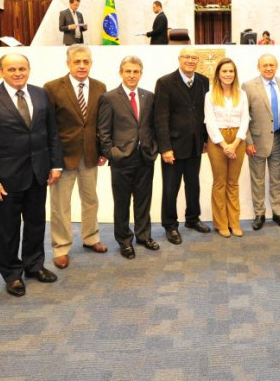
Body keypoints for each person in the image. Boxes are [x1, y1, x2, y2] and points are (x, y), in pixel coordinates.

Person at [0, 53, 63, 297]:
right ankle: (12, 273)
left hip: (38, 173)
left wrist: (56, 164)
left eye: (22, 68)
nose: (17, 73)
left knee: (36, 223)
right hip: (5, 178)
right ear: (1, 71)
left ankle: (34, 265)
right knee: (8, 229)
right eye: (11, 69)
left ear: (29, 69)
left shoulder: (41, 94)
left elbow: (52, 132)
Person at [43, 45, 108, 269]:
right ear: (68, 63)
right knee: (60, 204)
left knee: (91, 200)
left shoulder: (100, 87)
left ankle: (91, 237)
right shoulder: (52, 87)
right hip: (62, 157)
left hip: (90, 154)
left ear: (91, 64)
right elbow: (48, 126)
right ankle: (61, 247)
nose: (82, 66)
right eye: (77, 62)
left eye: (85, 62)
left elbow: (101, 123)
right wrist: (52, 159)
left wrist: (103, 151)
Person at [98, 56, 160, 259]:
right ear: (121, 73)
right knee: (122, 203)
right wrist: (112, 153)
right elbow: (103, 131)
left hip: (145, 157)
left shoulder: (148, 96)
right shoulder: (109, 97)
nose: (132, 75)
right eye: (128, 71)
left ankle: (143, 236)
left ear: (141, 74)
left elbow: (153, 125)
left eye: (136, 71)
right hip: (121, 159)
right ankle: (124, 241)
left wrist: (154, 148)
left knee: (143, 200)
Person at [154, 47, 212, 245]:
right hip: (173, 146)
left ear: (198, 61)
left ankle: (192, 218)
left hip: (196, 144)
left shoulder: (203, 81)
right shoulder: (165, 82)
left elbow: (205, 113)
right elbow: (160, 117)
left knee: (193, 185)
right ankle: (170, 225)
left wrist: (205, 140)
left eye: (194, 58)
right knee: (171, 188)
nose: (190, 61)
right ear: (179, 59)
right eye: (187, 57)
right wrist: (165, 148)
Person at [242, 54, 280, 231]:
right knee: (258, 180)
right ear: (259, 67)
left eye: (271, 65)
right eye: (265, 65)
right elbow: (244, 116)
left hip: (278, 139)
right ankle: (259, 214)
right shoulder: (248, 86)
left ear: (276, 66)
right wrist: (248, 141)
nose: (268, 68)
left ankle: (277, 212)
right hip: (256, 141)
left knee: (277, 178)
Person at [204, 58, 250, 238]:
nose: (228, 74)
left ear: (235, 74)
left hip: (238, 139)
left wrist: (235, 143)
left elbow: (245, 119)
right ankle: (221, 223)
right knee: (219, 183)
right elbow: (210, 122)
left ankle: (234, 222)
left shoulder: (242, 94)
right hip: (217, 141)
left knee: (233, 182)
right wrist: (224, 145)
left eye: (231, 71)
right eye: (224, 71)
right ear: (218, 74)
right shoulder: (210, 95)